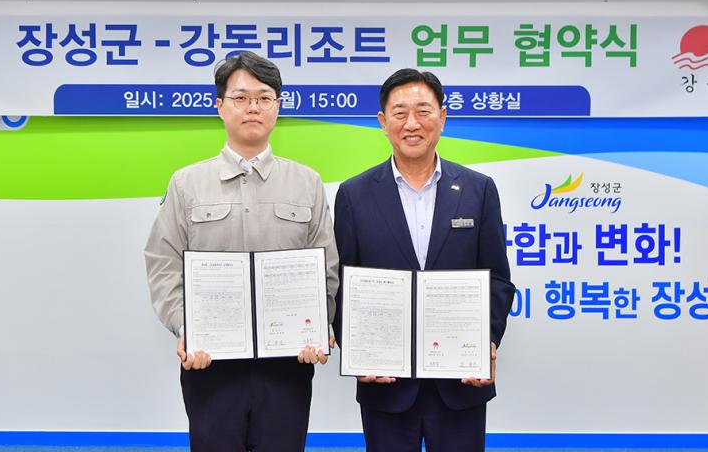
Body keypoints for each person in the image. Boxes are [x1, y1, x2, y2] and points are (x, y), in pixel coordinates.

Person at [144, 52, 339, 452]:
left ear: (278, 106)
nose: (253, 107)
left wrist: (317, 324)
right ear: (220, 105)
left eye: (264, 98)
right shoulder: (187, 183)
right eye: (241, 97)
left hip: (287, 364)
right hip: (212, 363)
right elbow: (163, 263)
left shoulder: (307, 182)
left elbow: (326, 266)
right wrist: (186, 327)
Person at [333, 68, 515, 452]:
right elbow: (342, 282)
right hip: (386, 381)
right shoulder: (354, 194)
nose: (412, 124)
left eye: (423, 111)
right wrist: (356, 350)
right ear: (383, 122)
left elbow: (498, 278)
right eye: (399, 113)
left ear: (442, 117)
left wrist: (486, 342)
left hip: (460, 381)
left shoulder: (479, 190)